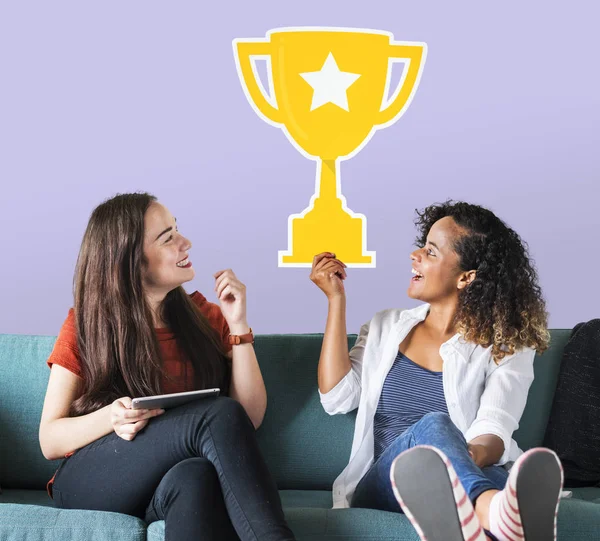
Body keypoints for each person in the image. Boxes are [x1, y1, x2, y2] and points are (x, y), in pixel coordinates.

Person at [39, 192, 296, 541]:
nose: (185, 242)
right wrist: (111, 418)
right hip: (95, 480)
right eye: (168, 237)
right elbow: (49, 440)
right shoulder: (86, 325)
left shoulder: (207, 318)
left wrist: (238, 325)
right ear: (130, 261)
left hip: (165, 485)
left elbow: (247, 418)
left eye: (177, 230)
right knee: (217, 413)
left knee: (196, 476)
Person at [309, 201, 564, 541]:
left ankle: (491, 518)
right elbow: (336, 398)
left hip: (466, 473)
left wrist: (455, 458)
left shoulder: (507, 345)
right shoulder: (385, 327)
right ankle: (491, 511)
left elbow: (495, 427)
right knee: (434, 426)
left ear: (466, 277)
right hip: (388, 482)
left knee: (495, 493)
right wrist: (335, 300)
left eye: (430, 252)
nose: (415, 255)